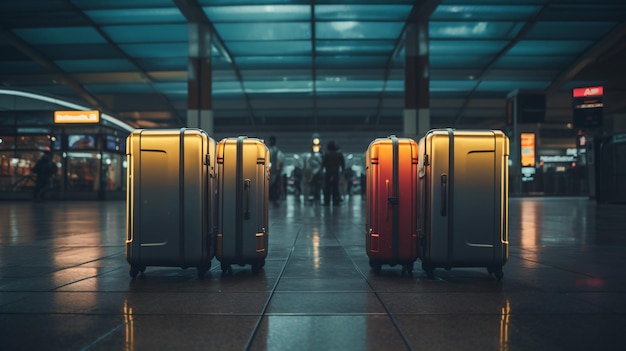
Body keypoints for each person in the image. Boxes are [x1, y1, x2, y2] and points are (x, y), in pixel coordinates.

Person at [322, 140, 345, 206]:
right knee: (335, 188)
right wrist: (343, 171)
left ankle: (327, 201)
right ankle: (336, 201)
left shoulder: (326, 154)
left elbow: (323, 164)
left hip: (328, 173)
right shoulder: (339, 154)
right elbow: (343, 164)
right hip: (336, 173)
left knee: (327, 188)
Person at [267, 136, 284, 205]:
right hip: (270, 171)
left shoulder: (276, 151)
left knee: (274, 186)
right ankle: (272, 198)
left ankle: (274, 198)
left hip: (274, 172)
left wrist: (278, 170)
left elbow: (279, 162)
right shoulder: (269, 150)